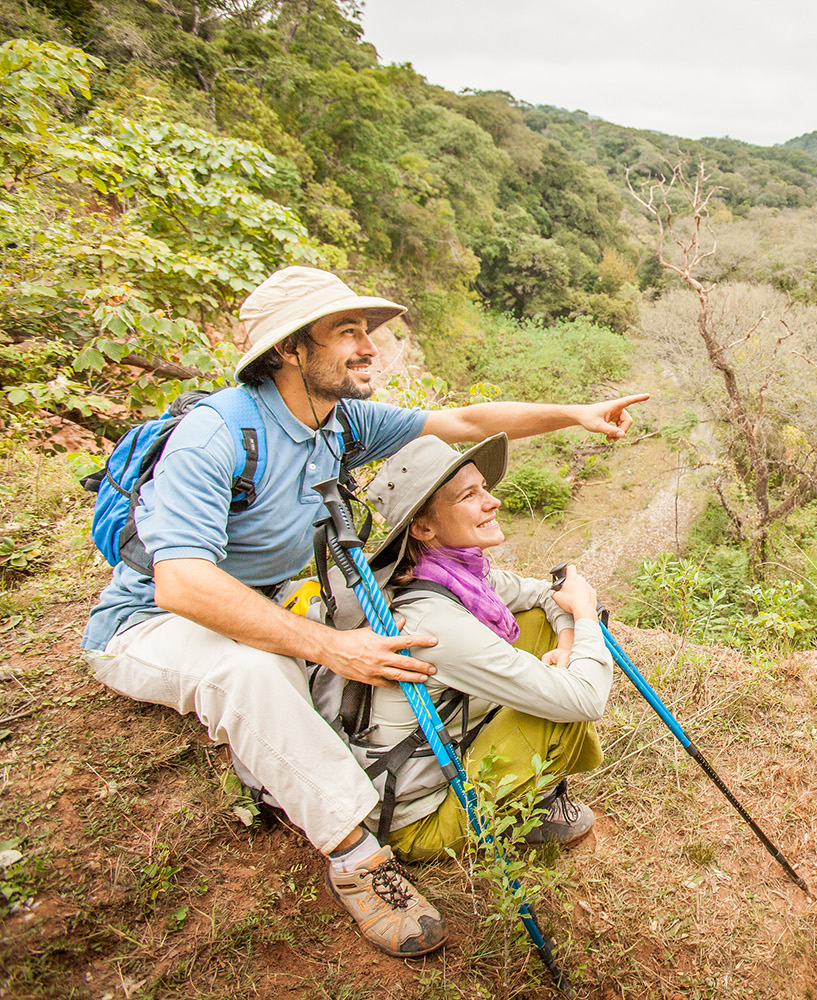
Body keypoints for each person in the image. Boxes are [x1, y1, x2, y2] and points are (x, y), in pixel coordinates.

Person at [80, 266, 647, 959]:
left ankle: (485, 786)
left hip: (266, 600)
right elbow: (183, 585)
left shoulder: (336, 423)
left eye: (366, 332)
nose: (368, 347)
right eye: (345, 332)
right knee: (253, 673)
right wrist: (328, 646)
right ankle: (357, 856)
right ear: (289, 349)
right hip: (151, 622)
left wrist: (575, 415)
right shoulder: (220, 433)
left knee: (413, 631)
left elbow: (465, 421)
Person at [341, 432, 609, 864]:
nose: (492, 501)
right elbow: (586, 698)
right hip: (417, 824)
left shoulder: (455, 578)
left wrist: (565, 640)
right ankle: (534, 800)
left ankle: (528, 786)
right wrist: (585, 617)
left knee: (538, 622)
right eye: (470, 495)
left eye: (484, 487)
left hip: (432, 764)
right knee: (562, 712)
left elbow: (544, 596)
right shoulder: (434, 622)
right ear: (424, 527)